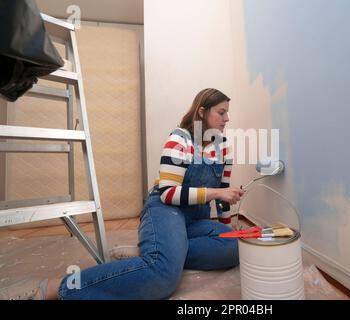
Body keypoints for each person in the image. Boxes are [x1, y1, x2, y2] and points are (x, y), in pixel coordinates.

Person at [0, 88, 244, 300]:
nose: (227, 118)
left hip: (193, 220)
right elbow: (169, 194)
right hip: (166, 210)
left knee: (234, 246)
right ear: (202, 112)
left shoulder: (223, 148)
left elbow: (223, 199)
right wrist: (216, 194)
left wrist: (227, 223)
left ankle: (159, 249)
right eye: (221, 112)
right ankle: (55, 288)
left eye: (227, 112)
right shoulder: (179, 139)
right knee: (163, 275)